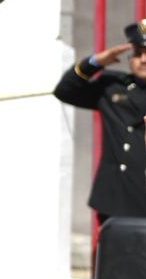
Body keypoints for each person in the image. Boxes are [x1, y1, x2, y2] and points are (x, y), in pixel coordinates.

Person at [52, 20, 146, 222]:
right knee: (109, 253)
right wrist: (95, 62)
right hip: (113, 198)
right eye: (138, 52)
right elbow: (65, 91)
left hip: (142, 199)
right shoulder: (112, 86)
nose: (143, 60)